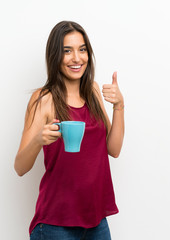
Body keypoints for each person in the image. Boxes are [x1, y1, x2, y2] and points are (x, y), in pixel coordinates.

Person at [14, 21, 125, 240]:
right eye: (67, 51)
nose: (77, 58)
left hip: (96, 220)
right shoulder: (43, 99)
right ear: (55, 56)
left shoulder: (92, 90)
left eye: (82, 49)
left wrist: (119, 106)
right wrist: (38, 140)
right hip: (56, 224)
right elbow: (20, 167)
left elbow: (113, 149)